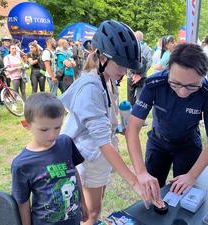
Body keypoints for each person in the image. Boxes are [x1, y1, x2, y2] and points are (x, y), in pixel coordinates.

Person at [60, 20, 148, 225]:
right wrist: (134, 182)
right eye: (121, 65)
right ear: (101, 57)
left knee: (97, 207)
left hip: (98, 157)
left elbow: (103, 121)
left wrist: (119, 127)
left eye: (128, 67)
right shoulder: (90, 87)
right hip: (87, 156)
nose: (125, 72)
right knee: (91, 213)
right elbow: (101, 141)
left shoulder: (107, 79)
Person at [125, 43, 208, 198]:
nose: (183, 92)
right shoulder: (154, 84)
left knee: (183, 195)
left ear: (203, 77)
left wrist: (191, 176)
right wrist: (141, 172)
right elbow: (133, 127)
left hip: (188, 145)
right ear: (168, 69)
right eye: (176, 83)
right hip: (157, 142)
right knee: (151, 193)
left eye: (192, 86)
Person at [11, 93, 88, 225]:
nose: (52, 135)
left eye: (57, 127)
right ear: (26, 125)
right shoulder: (22, 164)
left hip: (73, 218)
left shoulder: (66, 143)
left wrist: (83, 203)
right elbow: (22, 201)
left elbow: (74, 173)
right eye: (44, 129)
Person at [127, 31, 153, 105]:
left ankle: (130, 114)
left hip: (130, 76)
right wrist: (140, 75)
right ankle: (138, 114)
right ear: (142, 38)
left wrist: (132, 75)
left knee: (130, 98)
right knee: (140, 98)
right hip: (142, 77)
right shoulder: (147, 49)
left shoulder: (130, 48)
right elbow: (149, 63)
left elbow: (127, 62)